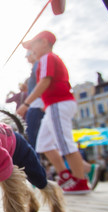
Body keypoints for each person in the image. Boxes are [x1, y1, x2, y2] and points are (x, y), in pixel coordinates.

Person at [17, 30, 91, 194]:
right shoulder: (46, 59)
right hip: (53, 105)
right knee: (43, 143)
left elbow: (45, 81)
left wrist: (26, 104)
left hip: (59, 103)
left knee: (64, 142)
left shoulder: (47, 58)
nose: (31, 50)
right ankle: (65, 176)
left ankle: (81, 181)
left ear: (44, 42)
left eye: (33, 45)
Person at [24, 50, 44, 150]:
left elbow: (43, 84)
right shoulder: (36, 66)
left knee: (33, 138)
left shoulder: (37, 65)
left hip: (37, 105)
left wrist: (25, 104)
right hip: (37, 104)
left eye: (27, 55)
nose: (26, 57)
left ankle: (35, 162)